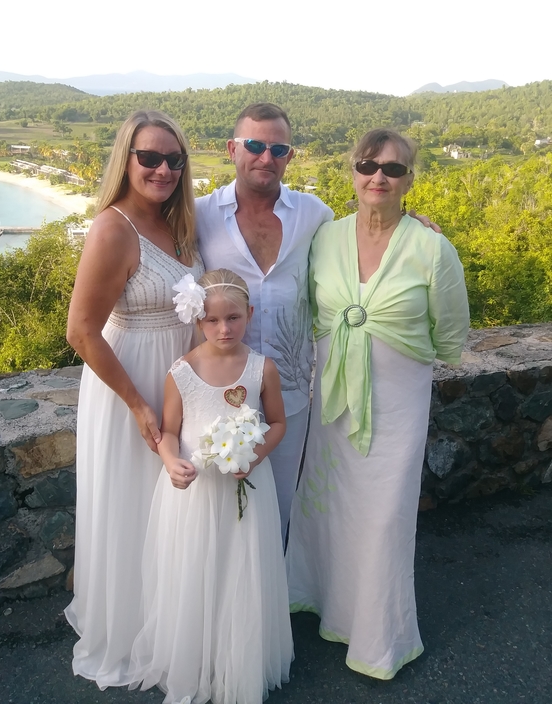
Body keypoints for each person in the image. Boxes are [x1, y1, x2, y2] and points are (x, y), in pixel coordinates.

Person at [196, 103, 440, 544]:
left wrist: (412, 225)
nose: (265, 157)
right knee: (216, 513)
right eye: (254, 145)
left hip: (288, 398)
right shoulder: (199, 215)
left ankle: (275, 606)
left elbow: (365, 231)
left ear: (290, 156)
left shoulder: (315, 216)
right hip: (219, 392)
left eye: (278, 148)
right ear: (232, 149)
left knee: (282, 508)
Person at [286, 128, 470, 679]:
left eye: (393, 168)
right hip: (333, 413)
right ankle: (322, 603)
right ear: (353, 171)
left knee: (383, 522)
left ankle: (377, 640)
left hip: (395, 416)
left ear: (409, 179)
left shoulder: (433, 249)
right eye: (368, 165)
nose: (379, 177)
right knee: (331, 512)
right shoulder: (326, 238)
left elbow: (451, 338)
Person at [64, 110, 204, 688]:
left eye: (174, 159)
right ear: (127, 159)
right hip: (128, 386)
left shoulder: (181, 223)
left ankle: (170, 627)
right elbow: (81, 331)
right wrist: (138, 405)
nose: (163, 169)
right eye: (150, 157)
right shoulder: (112, 228)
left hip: (179, 383)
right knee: (131, 511)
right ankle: (129, 634)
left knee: (172, 514)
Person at [127, 269, 293, 704]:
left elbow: (277, 423)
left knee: (241, 571)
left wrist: (254, 456)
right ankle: (197, 658)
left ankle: (240, 658)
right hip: (196, 497)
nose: (225, 328)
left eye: (234, 318)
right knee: (197, 569)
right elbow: (167, 431)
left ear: (249, 315)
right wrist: (168, 460)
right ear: (198, 321)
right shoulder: (182, 372)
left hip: (247, 493)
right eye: (214, 320)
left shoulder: (262, 369)